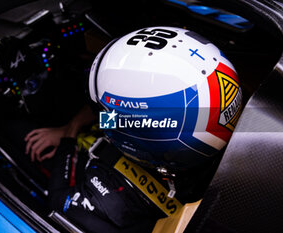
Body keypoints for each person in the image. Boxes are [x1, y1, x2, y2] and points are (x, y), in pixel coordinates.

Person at [25, 26, 243, 232]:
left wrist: (69, 134)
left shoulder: (113, 208)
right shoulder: (224, 130)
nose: (105, 117)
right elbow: (125, 119)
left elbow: (58, 201)